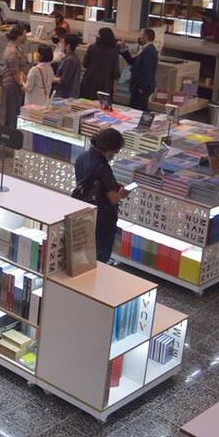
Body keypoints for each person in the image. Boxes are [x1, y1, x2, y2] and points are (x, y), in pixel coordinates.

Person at [73, 128, 130, 263]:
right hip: (102, 217)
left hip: (82, 209)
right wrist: (123, 193)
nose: (115, 155)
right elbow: (113, 198)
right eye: (115, 152)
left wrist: (110, 184)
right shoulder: (103, 168)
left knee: (85, 250)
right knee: (100, 254)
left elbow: (90, 181)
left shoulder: (82, 157)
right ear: (109, 149)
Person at [120, 28, 159, 111]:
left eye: (141, 35)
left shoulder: (149, 51)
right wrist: (124, 49)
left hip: (141, 88)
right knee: (134, 110)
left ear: (146, 37)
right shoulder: (145, 50)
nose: (139, 37)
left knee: (137, 111)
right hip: (137, 87)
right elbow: (132, 61)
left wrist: (141, 88)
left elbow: (147, 71)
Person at [81, 27, 121, 101]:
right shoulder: (113, 51)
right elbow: (115, 72)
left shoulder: (92, 47)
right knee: (102, 105)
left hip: (89, 81)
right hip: (105, 84)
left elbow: (85, 64)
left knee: (86, 103)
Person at [0, 24, 28, 127]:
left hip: (16, 83)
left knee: (15, 110)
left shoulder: (18, 48)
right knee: (11, 111)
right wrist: (21, 85)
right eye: (24, 35)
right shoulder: (12, 51)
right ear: (18, 36)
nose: (26, 37)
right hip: (11, 85)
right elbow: (14, 72)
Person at [53, 34, 83, 99]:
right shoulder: (73, 57)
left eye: (62, 43)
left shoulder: (70, 60)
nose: (61, 45)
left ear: (68, 45)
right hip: (67, 94)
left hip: (65, 95)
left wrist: (51, 78)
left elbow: (63, 80)